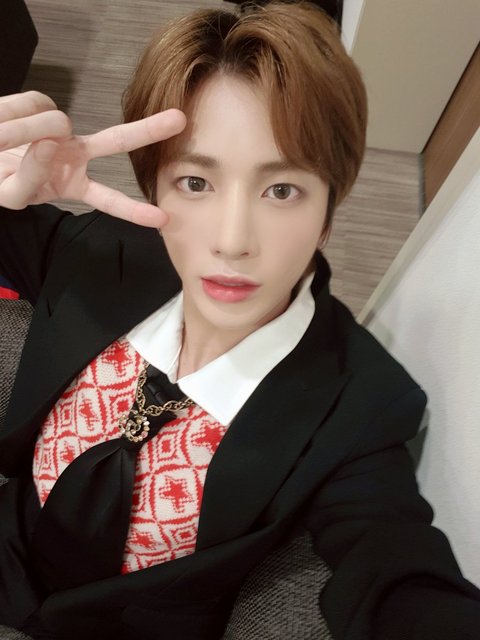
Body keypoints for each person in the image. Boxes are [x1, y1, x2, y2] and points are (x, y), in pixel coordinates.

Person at [1, 2, 480, 639]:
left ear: (329, 208)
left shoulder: (362, 405)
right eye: (195, 182)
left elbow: (395, 573)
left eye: (281, 190)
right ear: (155, 187)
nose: (232, 242)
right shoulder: (101, 251)